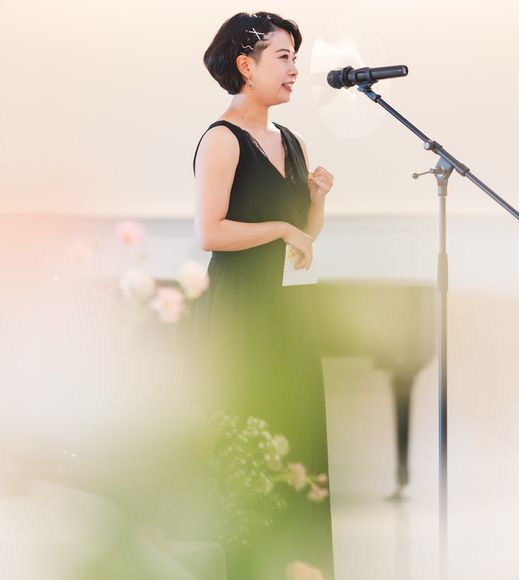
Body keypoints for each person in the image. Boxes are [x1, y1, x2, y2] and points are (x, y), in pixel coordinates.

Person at [192, 11, 335, 580]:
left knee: (298, 438)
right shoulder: (221, 139)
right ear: (246, 66)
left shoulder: (290, 141)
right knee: (249, 443)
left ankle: (301, 568)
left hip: (288, 311)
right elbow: (210, 232)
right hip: (240, 312)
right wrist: (280, 228)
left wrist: (315, 202)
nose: (295, 69)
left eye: (295, 57)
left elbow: (303, 237)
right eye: (284, 57)